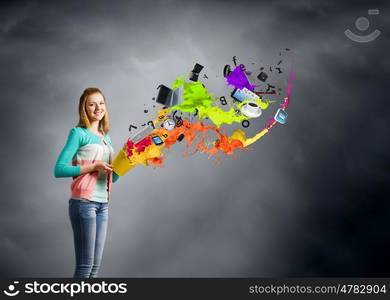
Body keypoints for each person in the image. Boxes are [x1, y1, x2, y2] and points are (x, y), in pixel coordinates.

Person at [54, 87, 120, 278]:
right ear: (84, 108)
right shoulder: (78, 133)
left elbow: (112, 176)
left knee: (94, 270)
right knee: (84, 267)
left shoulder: (105, 137)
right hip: (84, 203)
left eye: (101, 103)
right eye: (92, 104)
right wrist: (93, 167)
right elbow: (59, 170)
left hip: (103, 204)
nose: (98, 108)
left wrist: (130, 162)